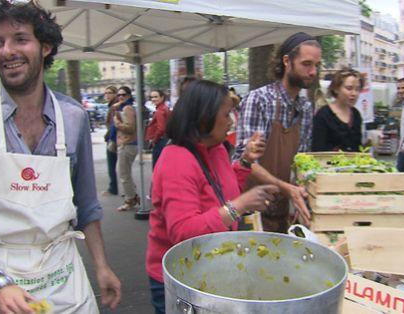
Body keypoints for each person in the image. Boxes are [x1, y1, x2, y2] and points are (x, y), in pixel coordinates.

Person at [0, 1, 121, 313]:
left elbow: (86, 206)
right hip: (4, 286)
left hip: (67, 281)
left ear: (45, 46)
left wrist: (101, 266)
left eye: (20, 39)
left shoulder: (73, 117)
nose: (7, 51)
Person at [145, 80, 279, 313]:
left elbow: (222, 193)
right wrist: (239, 206)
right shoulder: (176, 161)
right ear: (204, 117)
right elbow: (182, 231)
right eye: (226, 114)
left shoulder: (216, 148)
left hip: (210, 266)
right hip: (181, 277)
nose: (231, 121)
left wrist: (245, 162)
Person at [234, 32, 317, 233]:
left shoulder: (305, 107)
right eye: (307, 64)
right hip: (251, 211)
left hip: (284, 211)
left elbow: (301, 161)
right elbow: (245, 161)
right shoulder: (259, 100)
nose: (313, 71)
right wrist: (287, 189)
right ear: (287, 61)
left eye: (316, 65)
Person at [311, 68, 364, 152]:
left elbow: (358, 148)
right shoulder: (323, 115)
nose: (354, 93)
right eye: (349, 88)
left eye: (357, 89)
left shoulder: (356, 114)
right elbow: (317, 149)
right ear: (336, 89)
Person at [112, 86, 140, 211]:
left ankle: (130, 199)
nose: (121, 97)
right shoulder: (122, 108)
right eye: (118, 95)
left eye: (123, 94)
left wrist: (117, 123)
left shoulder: (127, 108)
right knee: (124, 173)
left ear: (129, 96)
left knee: (123, 173)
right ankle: (132, 195)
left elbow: (130, 128)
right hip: (126, 144)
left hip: (128, 144)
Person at [144, 89, 170, 168]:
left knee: (156, 168)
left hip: (160, 141)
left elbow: (161, 128)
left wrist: (154, 140)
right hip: (165, 140)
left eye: (156, 97)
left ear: (162, 98)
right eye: (152, 97)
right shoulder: (165, 108)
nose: (153, 99)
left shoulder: (160, 111)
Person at [102, 85, 119, 196]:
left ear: (114, 94)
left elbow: (113, 125)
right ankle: (130, 190)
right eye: (106, 93)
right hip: (116, 138)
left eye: (109, 93)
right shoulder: (113, 106)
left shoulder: (114, 107)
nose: (107, 95)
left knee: (112, 165)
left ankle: (113, 188)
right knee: (122, 167)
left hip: (113, 139)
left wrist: (107, 136)